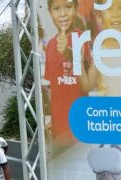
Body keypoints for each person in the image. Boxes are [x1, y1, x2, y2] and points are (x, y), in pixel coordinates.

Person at [43, 0, 90, 146]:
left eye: (68, 7)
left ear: (76, 8)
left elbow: (88, 84)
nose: (63, 13)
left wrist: (68, 53)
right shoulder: (50, 45)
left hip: (80, 124)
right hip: (58, 128)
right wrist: (51, 118)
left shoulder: (83, 38)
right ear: (50, 12)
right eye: (56, 8)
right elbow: (52, 86)